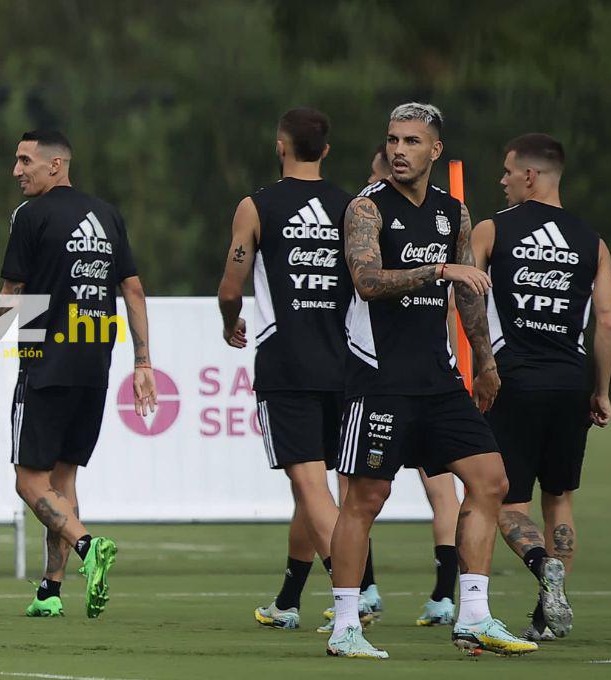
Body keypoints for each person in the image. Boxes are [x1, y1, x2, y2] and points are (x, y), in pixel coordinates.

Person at [327, 103, 537, 658]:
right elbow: (367, 280)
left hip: (439, 380)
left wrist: (485, 363)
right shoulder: (365, 207)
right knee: (365, 498)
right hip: (379, 378)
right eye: (393, 139)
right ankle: (345, 627)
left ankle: (474, 616)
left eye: (412, 141)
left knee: (490, 481)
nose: (399, 150)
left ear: (435, 150)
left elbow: (469, 293)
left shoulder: (453, 212)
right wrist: (440, 270)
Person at [0, 130, 156, 618]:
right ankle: (51, 590)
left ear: (55, 165)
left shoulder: (30, 215)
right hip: (95, 363)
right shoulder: (109, 215)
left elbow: (13, 292)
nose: (16, 170)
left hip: (46, 361)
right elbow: (134, 291)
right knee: (62, 478)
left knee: (29, 483)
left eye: (24, 160)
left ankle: (88, 545)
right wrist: (142, 363)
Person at [473, 133, 611, 640]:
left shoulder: (492, 229)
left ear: (530, 176)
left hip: (513, 380)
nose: (503, 180)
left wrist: (479, 366)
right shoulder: (592, 242)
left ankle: (541, 564)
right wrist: (600, 390)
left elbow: (465, 300)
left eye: (508, 171)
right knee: (559, 500)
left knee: (507, 503)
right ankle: (545, 618)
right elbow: (608, 322)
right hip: (571, 381)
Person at [215, 107, 354, 632]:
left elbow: (231, 288)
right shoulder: (353, 207)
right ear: (326, 150)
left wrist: (230, 322)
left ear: (280, 146)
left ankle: (355, 593)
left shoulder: (256, 206)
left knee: (312, 487)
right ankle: (288, 600)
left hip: (287, 363)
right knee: (311, 486)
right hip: (345, 363)